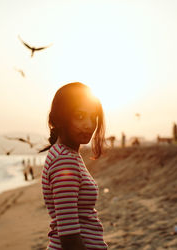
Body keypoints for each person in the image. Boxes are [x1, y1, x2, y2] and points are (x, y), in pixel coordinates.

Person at [41, 82, 108, 250]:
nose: (89, 125)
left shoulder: (65, 154)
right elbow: (69, 237)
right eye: (79, 116)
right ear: (61, 118)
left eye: (93, 117)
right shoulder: (64, 160)